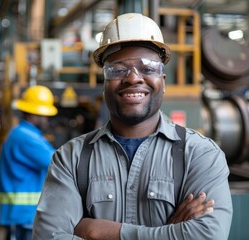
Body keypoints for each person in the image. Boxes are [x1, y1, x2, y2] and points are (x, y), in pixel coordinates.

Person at [33, 13, 233, 239]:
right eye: (117, 70)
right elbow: (47, 236)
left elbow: (208, 236)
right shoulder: (71, 158)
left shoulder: (200, 155)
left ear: (163, 82)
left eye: (147, 68)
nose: (133, 78)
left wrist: (100, 232)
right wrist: (169, 231)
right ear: (105, 84)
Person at [0, 85, 58, 240]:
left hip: (24, 214)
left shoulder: (26, 134)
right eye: (44, 115)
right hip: (22, 214)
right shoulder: (25, 138)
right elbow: (57, 163)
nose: (47, 120)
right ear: (33, 115)